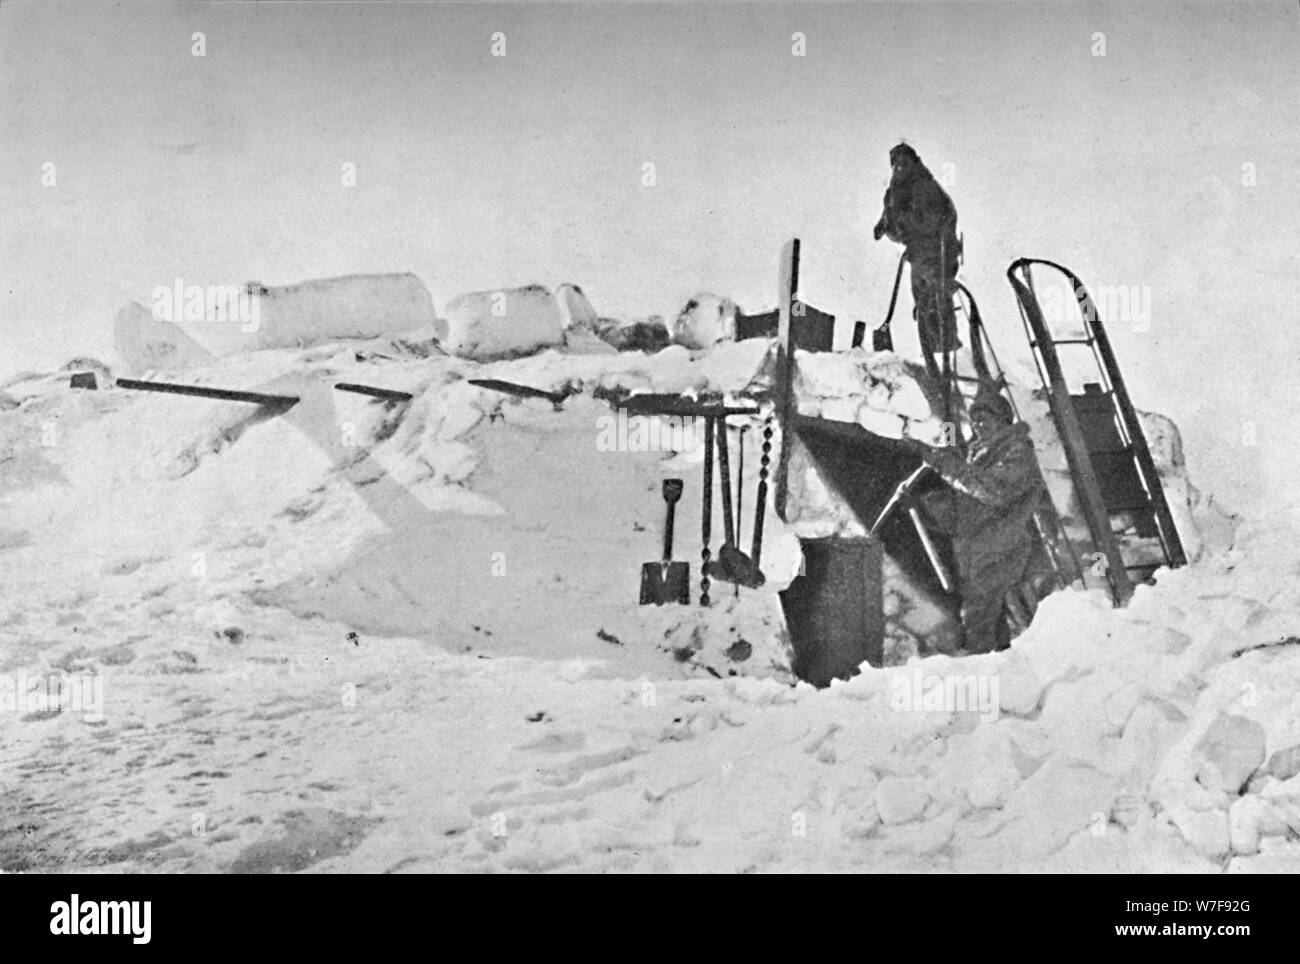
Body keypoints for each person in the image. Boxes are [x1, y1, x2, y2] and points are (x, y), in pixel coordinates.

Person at [900, 386, 1045, 654]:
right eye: (975, 419)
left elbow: (993, 491)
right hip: (979, 552)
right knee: (989, 624)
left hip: (1001, 550)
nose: (978, 425)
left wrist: (946, 465)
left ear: (1002, 420)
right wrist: (924, 506)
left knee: (978, 622)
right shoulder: (979, 455)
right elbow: (965, 509)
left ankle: (988, 680)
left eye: (985, 418)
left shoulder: (1017, 451)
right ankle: (1001, 675)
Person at [872, 143, 960, 357]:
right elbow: (896, 225)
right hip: (919, 254)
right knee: (922, 303)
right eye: (896, 164)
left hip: (938, 251)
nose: (899, 168)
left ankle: (947, 351)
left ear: (913, 162)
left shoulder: (924, 186)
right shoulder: (896, 192)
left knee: (935, 301)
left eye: (904, 162)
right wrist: (885, 226)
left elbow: (930, 220)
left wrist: (901, 223)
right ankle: (933, 353)